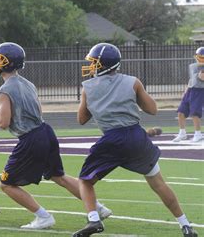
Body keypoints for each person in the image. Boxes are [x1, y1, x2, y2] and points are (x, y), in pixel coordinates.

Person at [0, 42, 111, 230]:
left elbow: (2, 122)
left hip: (30, 138)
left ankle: (43, 217)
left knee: (6, 184)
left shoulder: (4, 90)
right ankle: (98, 207)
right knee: (59, 176)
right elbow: (36, 110)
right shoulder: (28, 84)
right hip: (45, 131)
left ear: (7, 62)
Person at [73, 43, 198, 237]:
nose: (91, 66)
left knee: (85, 181)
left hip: (111, 140)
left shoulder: (88, 87)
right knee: (158, 183)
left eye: (94, 63)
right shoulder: (133, 81)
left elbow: (81, 119)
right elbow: (152, 109)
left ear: (103, 64)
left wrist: (97, 97)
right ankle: (185, 224)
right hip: (135, 136)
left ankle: (94, 220)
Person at [173, 47, 204, 143]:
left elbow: (201, 78)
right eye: (200, 57)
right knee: (181, 112)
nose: (201, 59)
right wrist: (186, 90)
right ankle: (182, 133)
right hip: (190, 90)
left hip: (199, 91)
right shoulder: (193, 66)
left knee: (194, 113)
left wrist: (202, 75)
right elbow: (192, 79)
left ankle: (198, 134)